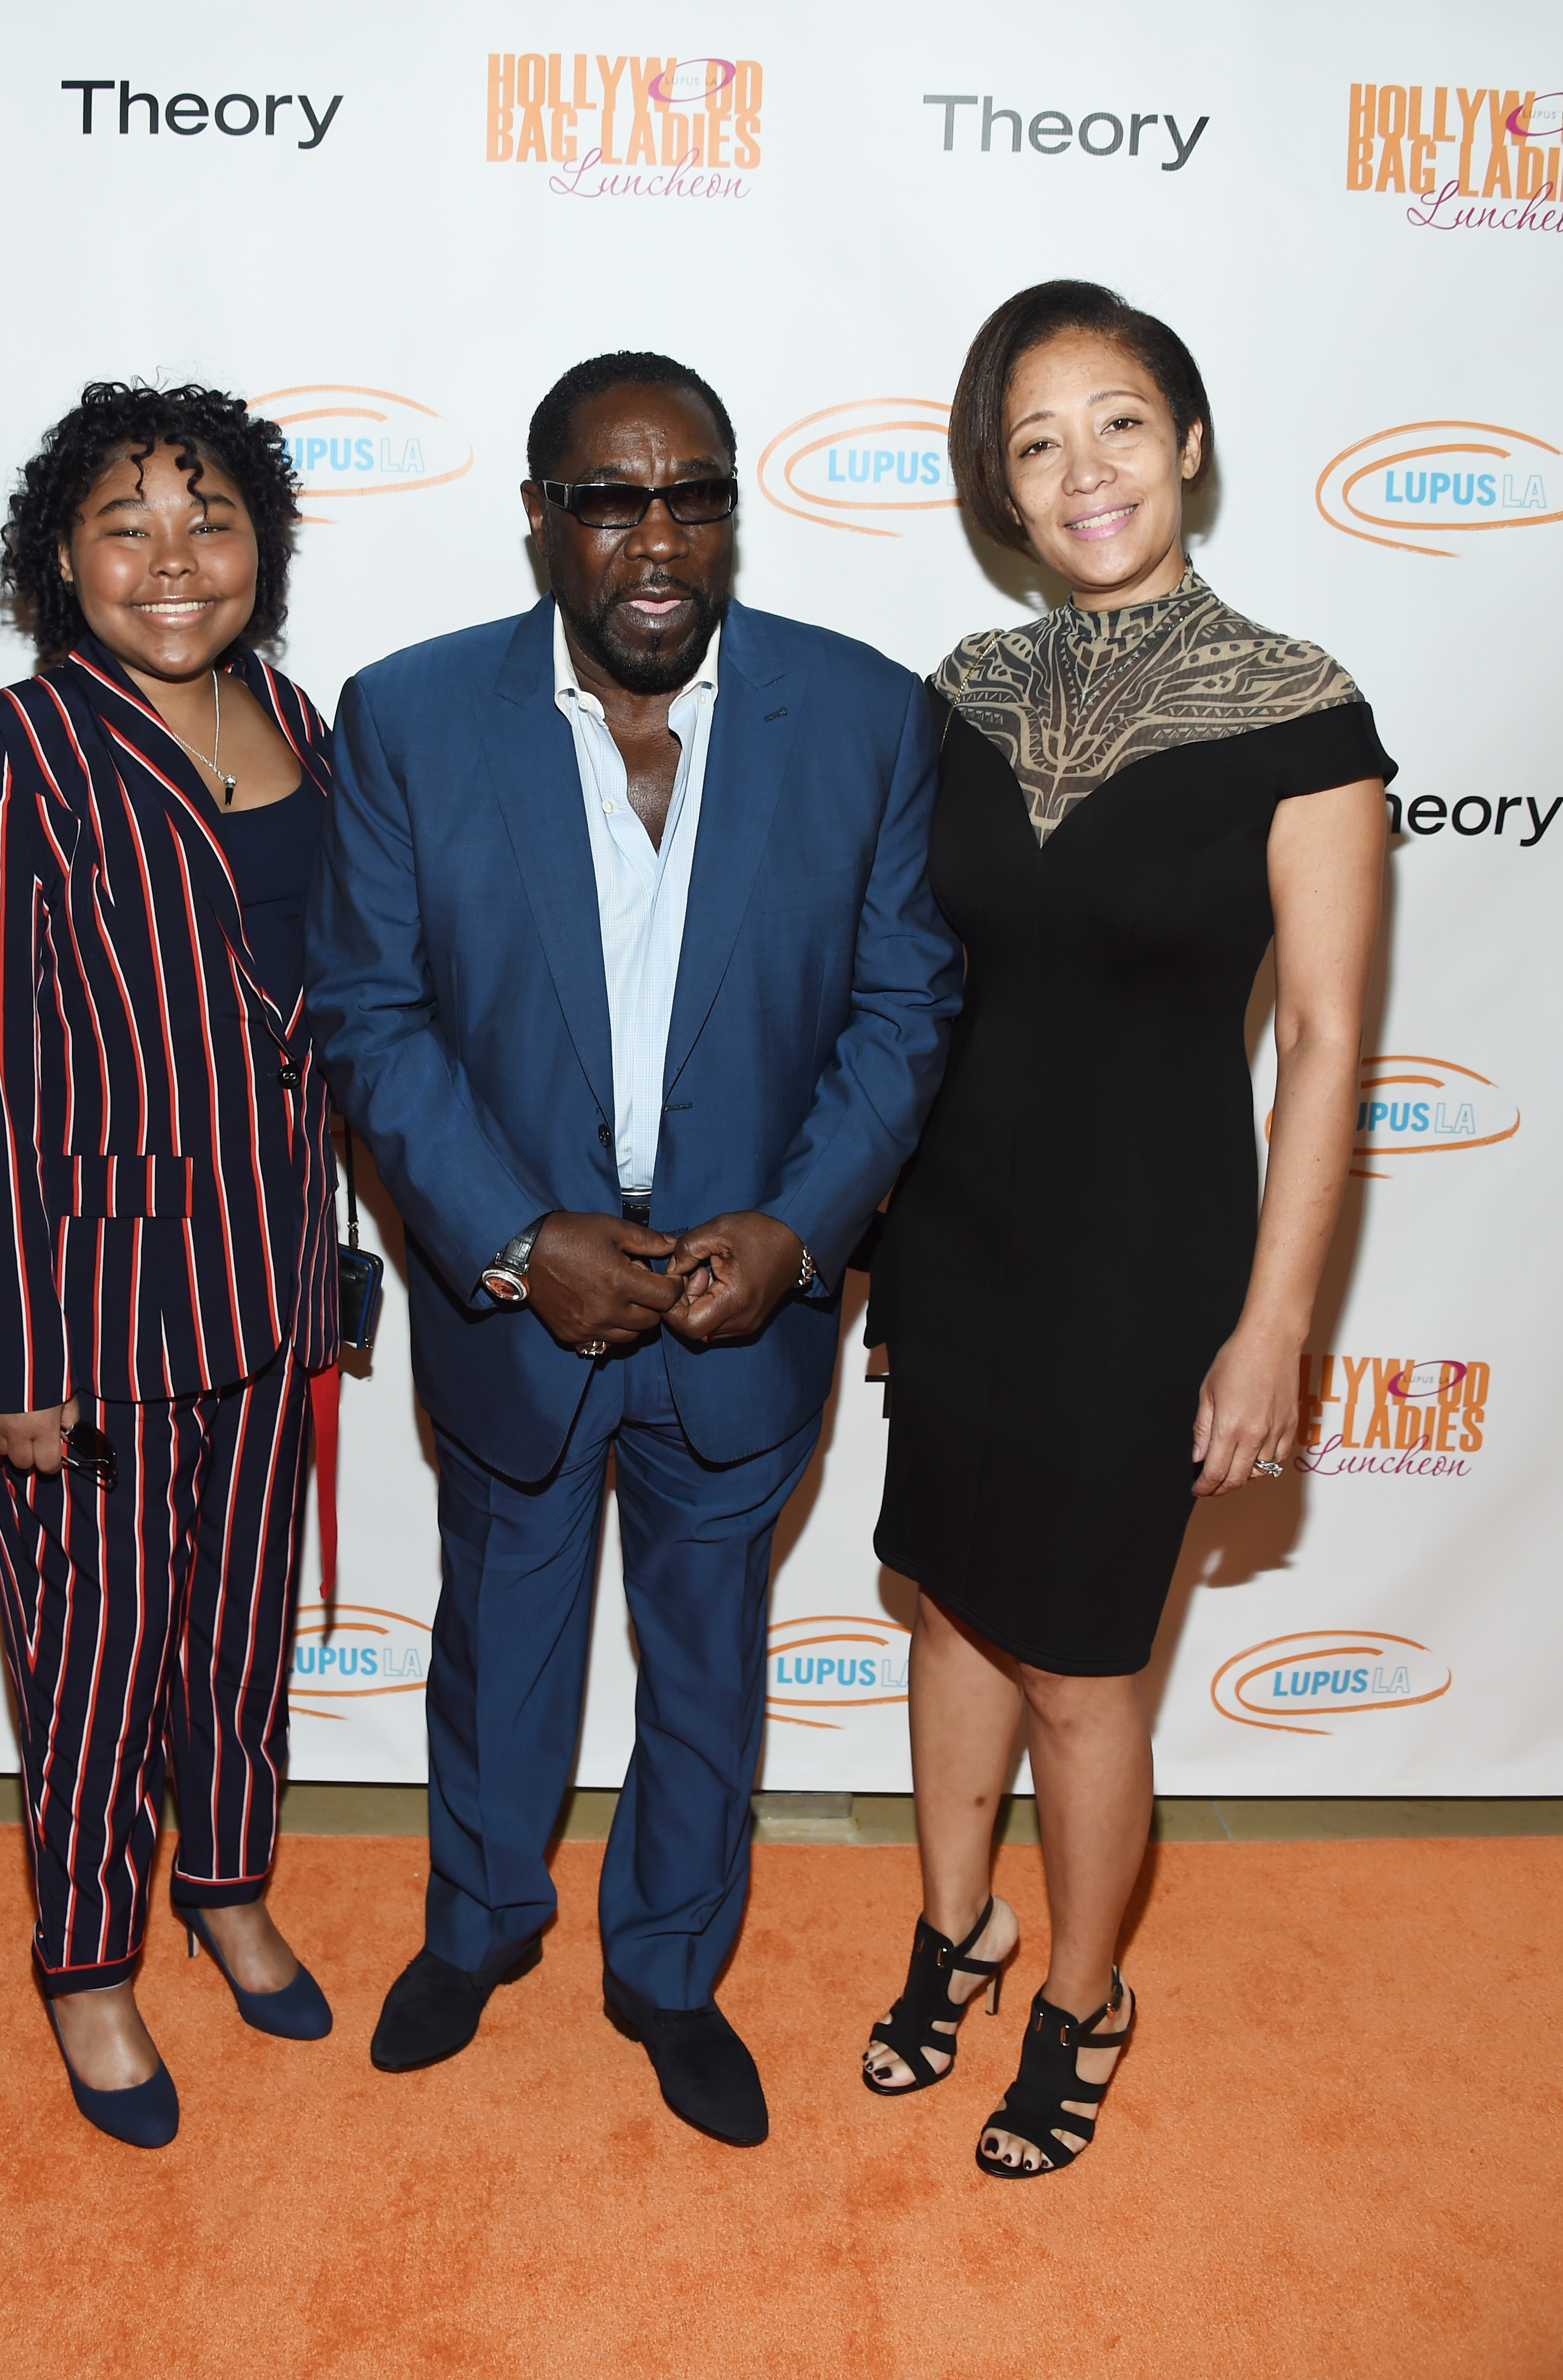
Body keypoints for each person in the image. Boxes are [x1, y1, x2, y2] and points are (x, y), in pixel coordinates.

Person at [306, 350, 961, 2147]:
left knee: (708, 1667)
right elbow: (369, 1014)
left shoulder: (861, 717)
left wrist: (801, 1226)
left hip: (747, 1314)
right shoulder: (412, 717)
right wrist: (517, 1242)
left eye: (695, 496)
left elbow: (903, 1011)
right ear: (541, 519)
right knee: (498, 1647)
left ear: (732, 514)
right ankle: (476, 1925)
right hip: (518, 1312)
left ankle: (668, 1973)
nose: (655, 537)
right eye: (610, 498)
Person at [861, 282, 1391, 2177]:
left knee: (1084, 1667)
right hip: (961, 1238)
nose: (1081, 469)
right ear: (996, 491)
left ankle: (1084, 1990)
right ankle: (956, 1929)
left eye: (1115, 422)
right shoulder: (963, 694)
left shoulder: (1299, 709)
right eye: (1032, 441)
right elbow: (906, 989)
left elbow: (1326, 1047)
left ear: (1185, 444)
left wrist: (1274, 1331)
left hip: (1150, 1262)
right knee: (944, 1610)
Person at [0, 383, 342, 2150]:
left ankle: (226, 1883)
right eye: (127, 524)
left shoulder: (296, 713)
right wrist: (5, 1347)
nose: (175, 560)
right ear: (61, 558)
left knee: (236, 1637)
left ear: (264, 547)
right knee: (92, 1658)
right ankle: (86, 1963)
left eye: (211, 518)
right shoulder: (11, 746)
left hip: (266, 1284)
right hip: (84, 1312)